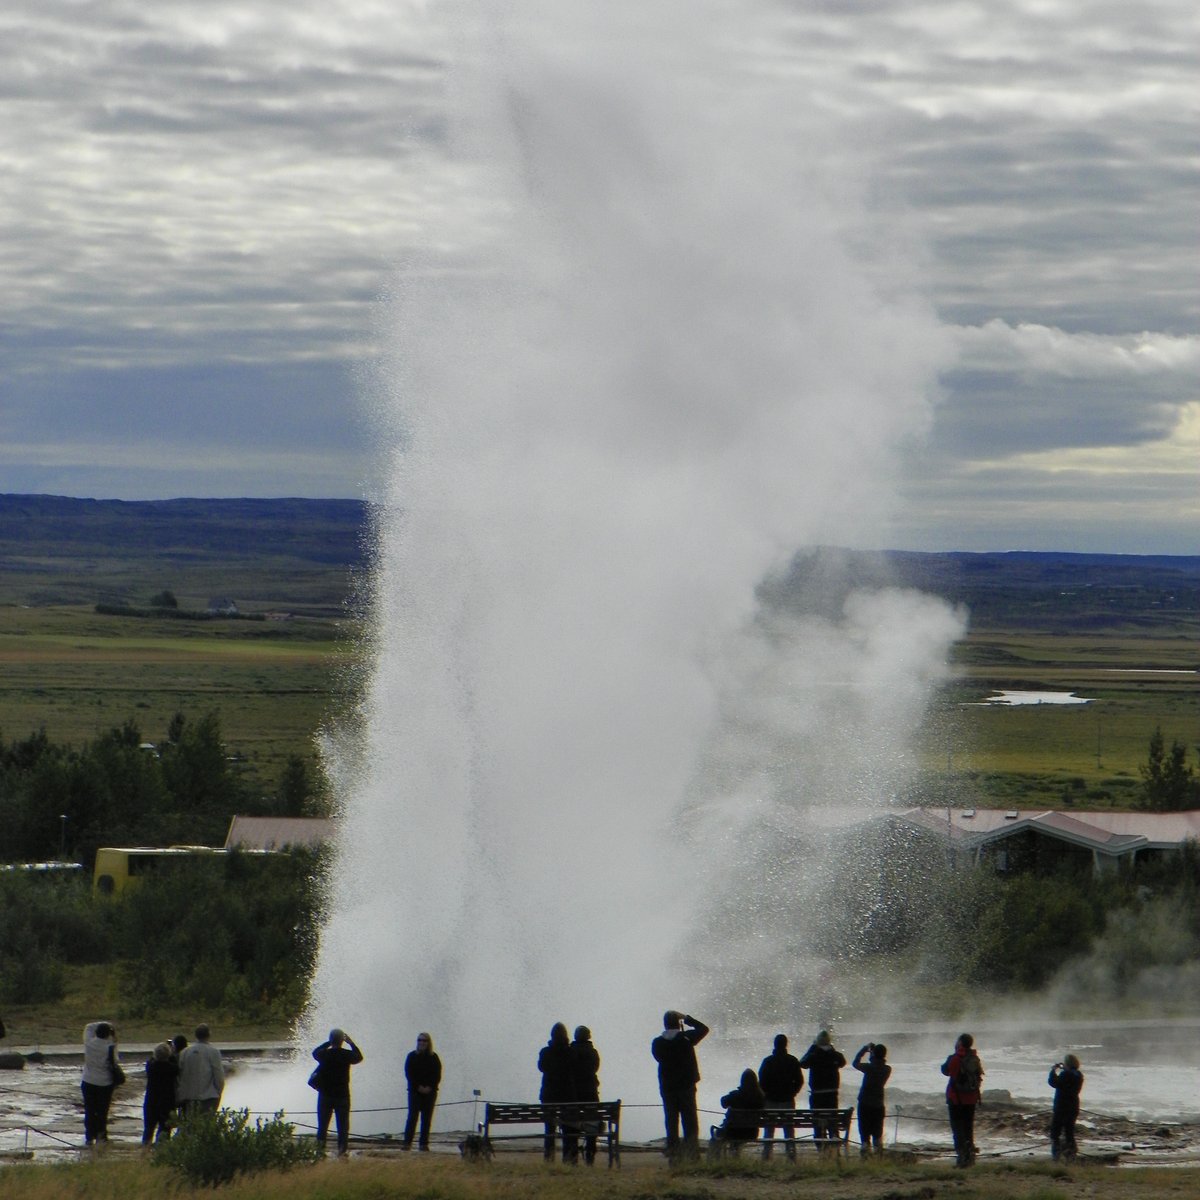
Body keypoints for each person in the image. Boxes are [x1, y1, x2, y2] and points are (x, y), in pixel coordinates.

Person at [651, 1010, 710, 1162]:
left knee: (671, 1120)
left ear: (664, 1024)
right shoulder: (686, 1038)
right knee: (690, 1120)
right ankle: (692, 1153)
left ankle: (673, 1152)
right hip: (686, 1086)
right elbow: (704, 1029)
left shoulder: (657, 1043)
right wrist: (687, 1018)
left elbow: (659, 1059)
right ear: (678, 1023)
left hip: (667, 1087)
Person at [312, 1028, 363, 1156]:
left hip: (325, 1095)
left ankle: (320, 1151)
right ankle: (342, 1151)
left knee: (322, 1126)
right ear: (342, 1041)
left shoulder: (325, 1055)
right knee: (343, 1127)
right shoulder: (346, 1055)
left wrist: (327, 1043)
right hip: (342, 1095)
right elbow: (359, 1057)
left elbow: (315, 1053)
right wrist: (351, 1043)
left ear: (331, 1040)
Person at [941, 1032, 984, 1168]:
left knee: (957, 1129)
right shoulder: (975, 1058)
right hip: (971, 1099)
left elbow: (945, 1071)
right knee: (968, 1129)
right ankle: (970, 1157)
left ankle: (962, 1158)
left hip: (956, 1099)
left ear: (960, 1043)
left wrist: (955, 1053)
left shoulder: (955, 1058)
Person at [758, 1032, 803, 1159]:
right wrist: (793, 1092)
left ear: (774, 1045)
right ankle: (791, 1154)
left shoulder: (768, 1061)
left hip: (771, 1100)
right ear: (786, 1045)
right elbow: (800, 1080)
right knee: (789, 1129)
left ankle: (766, 1154)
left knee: (769, 1129)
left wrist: (767, 1093)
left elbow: (761, 1081)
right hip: (787, 1100)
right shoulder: (792, 1061)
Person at [537, 1022, 578, 1162]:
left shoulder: (545, 1052)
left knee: (549, 1129)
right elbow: (575, 1069)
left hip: (549, 1096)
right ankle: (569, 1159)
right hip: (568, 1096)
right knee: (568, 1128)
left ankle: (549, 1158)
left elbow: (541, 1067)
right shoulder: (571, 1051)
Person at [799, 1030, 846, 1145]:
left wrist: (813, 1047)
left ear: (817, 1042)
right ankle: (834, 1149)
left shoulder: (814, 1055)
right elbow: (842, 1062)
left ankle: (821, 1148)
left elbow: (802, 1063)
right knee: (832, 1124)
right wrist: (831, 1049)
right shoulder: (836, 1055)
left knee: (818, 1125)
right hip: (832, 1095)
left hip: (817, 1095)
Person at [81, 1021, 122, 1146]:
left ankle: (89, 1137)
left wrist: (106, 1023)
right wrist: (112, 1029)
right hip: (105, 1083)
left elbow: (88, 1026)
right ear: (108, 1034)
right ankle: (101, 1136)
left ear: (96, 1033)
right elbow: (115, 1061)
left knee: (89, 1110)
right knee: (102, 1111)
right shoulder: (110, 1046)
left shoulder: (88, 1043)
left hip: (88, 1080)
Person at [851, 1042, 892, 1155]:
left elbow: (855, 1063)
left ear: (873, 1055)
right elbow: (876, 1063)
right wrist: (873, 1054)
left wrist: (864, 1050)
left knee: (864, 1131)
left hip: (864, 1103)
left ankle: (865, 1154)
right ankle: (878, 1155)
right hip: (878, 1104)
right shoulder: (887, 1069)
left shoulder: (869, 1068)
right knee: (877, 1132)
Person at [177, 1023, 225, 1118]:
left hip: (188, 1097)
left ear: (195, 1035)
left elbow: (179, 1075)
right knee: (205, 1127)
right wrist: (219, 1092)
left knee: (189, 1127)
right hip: (208, 1097)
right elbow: (218, 1075)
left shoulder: (185, 1052)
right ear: (209, 1035)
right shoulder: (213, 1052)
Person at [402, 1032, 441, 1151]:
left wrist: (429, 1087)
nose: (422, 1042)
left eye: (424, 1040)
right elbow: (409, 1074)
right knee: (412, 1117)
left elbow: (437, 1075)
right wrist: (418, 1087)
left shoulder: (434, 1058)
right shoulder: (411, 1056)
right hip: (415, 1091)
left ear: (429, 1043)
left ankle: (423, 1144)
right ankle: (407, 1143)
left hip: (430, 1092)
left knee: (426, 1119)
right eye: (419, 1040)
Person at [570, 1025, 601, 1165]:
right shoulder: (593, 1053)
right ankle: (590, 1154)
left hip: (574, 1094)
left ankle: (572, 1156)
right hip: (590, 1092)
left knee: (571, 1122)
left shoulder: (570, 1052)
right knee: (592, 1123)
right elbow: (595, 1068)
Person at [714, 1068, 765, 1151]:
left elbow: (723, 1103)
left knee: (716, 1135)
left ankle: (714, 1160)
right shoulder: (760, 1098)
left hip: (733, 1132)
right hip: (752, 1133)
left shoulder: (735, 1095)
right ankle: (735, 1153)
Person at [1047, 1054, 1084, 1161]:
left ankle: (1056, 1156)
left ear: (1067, 1063)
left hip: (1061, 1106)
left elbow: (1054, 1083)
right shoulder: (1078, 1075)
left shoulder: (1065, 1074)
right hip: (1073, 1106)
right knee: (1069, 1132)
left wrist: (1053, 1071)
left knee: (1055, 1132)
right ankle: (1071, 1155)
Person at [142, 1041, 179, 1145]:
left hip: (151, 1101)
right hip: (167, 1103)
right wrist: (172, 1052)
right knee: (165, 1129)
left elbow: (150, 1059)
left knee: (148, 1129)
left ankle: (145, 1149)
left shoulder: (151, 1067)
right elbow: (175, 1063)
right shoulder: (172, 1069)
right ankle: (161, 1149)